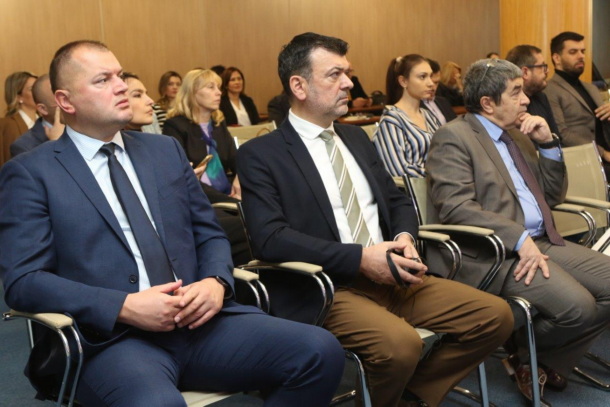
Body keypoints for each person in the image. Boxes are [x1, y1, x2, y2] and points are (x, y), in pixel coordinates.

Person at [0, 40, 345, 407]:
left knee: (319, 350)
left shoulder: (164, 150)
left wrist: (215, 281)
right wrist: (122, 306)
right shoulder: (32, 172)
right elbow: (24, 281)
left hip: (199, 323)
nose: (120, 86)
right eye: (103, 80)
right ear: (65, 101)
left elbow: (209, 233)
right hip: (113, 340)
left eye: (119, 75)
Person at [237, 32, 513, 407]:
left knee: (495, 316)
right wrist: (360, 259)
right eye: (334, 74)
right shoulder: (261, 153)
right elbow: (270, 238)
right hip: (328, 287)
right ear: (299, 86)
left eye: (347, 73)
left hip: (394, 273)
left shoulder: (355, 138)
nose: (349, 83)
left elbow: (396, 200)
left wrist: (404, 237)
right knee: (401, 346)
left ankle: (412, 395)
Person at [427, 58, 610, 405]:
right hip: (494, 254)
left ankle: (531, 359)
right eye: (516, 92)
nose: (526, 100)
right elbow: (456, 207)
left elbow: (552, 197)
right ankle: (533, 357)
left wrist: (548, 144)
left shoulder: (519, 136)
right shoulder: (454, 137)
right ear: (488, 103)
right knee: (578, 307)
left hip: (540, 242)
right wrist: (518, 238)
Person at [164, 69, 241, 202]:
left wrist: (240, 177)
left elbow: (236, 159)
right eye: (211, 87)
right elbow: (185, 177)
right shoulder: (175, 126)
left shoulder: (218, 123)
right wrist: (232, 201)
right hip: (199, 199)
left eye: (218, 87)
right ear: (192, 92)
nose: (219, 92)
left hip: (227, 193)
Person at [544, 31, 610, 173]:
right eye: (573, 52)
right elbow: (562, 133)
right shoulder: (549, 90)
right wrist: (603, 153)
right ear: (557, 58)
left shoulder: (591, 88)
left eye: (582, 51)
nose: (581, 56)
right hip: (583, 163)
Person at [373, 54, 441, 178]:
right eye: (422, 77)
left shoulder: (428, 115)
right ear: (403, 81)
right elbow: (398, 172)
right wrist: (442, 173)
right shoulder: (391, 121)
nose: (431, 83)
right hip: (415, 189)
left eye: (430, 76)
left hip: (440, 184)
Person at [506, 45, 562, 137]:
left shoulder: (541, 97)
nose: (547, 71)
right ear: (525, 72)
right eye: (543, 66)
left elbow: (556, 137)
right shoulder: (507, 103)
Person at [10, 74, 65, 157]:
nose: (70, 105)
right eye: (61, 101)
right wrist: (55, 144)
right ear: (43, 109)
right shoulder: (24, 146)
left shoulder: (82, 129)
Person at [1, 71, 38, 165]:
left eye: (37, 87)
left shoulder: (48, 122)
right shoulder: (7, 125)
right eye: (31, 89)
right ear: (18, 97)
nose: (38, 92)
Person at [421, 58, 457, 126]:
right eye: (429, 82)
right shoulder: (412, 106)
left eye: (436, 82)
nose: (434, 87)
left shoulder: (443, 102)